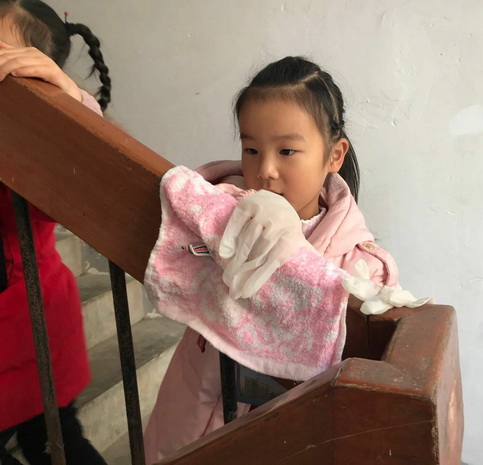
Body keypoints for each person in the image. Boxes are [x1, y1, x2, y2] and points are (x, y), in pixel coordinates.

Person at [144, 56, 402, 464]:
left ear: (334, 155)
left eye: (286, 150)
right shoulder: (217, 215)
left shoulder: (364, 269)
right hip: (192, 419)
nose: (264, 170)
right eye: (251, 149)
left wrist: (297, 251)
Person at [0, 1, 111, 464]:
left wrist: (68, 100)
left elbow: (84, 182)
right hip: (26, 316)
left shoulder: (30, 141)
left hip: (29, 323)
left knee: (56, 444)